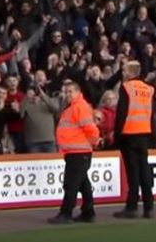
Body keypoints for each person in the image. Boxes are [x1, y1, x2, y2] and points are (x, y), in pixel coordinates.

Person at [48, 81, 100, 224]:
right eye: (66, 92)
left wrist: (94, 142)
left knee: (71, 184)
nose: (68, 94)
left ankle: (66, 213)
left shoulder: (79, 107)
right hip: (75, 151)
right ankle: (88, 212)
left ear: (78, 92)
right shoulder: (73, 108)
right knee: (82, 183)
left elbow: (91, 128)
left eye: (71, 91)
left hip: (79, 151)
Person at [114, 61, 155, 219]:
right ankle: (149, 207)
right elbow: (151, 113)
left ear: (131, 72)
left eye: (124, 70)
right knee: (144, 170)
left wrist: (117, 137)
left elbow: (121, 114)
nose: (123, 73)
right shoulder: (149, 89)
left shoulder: (127, 88)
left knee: (133, 172)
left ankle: (132, 207)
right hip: (144, 132)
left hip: (129, 133)